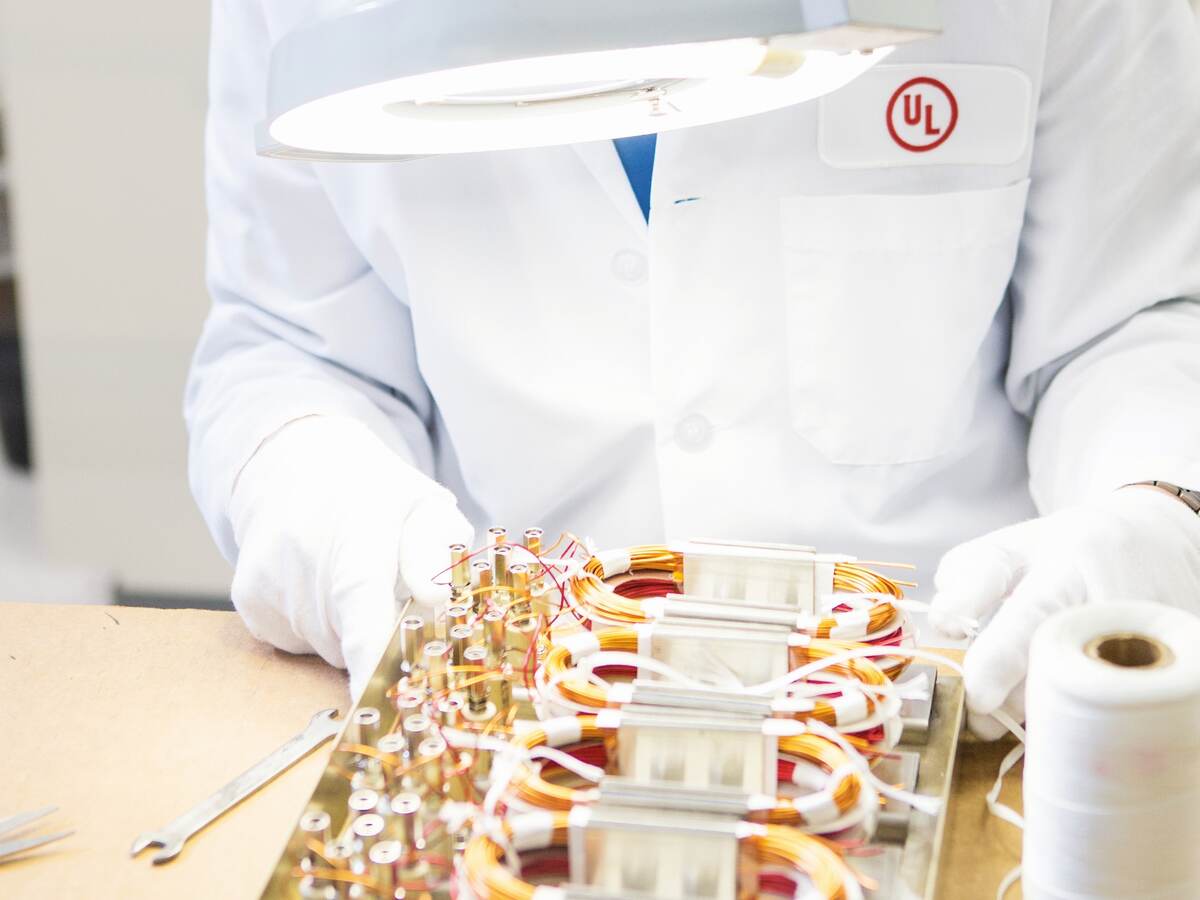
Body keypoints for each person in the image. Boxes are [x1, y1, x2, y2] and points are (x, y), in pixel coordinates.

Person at [187, 0, 1200, 731]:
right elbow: (290, 347)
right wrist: (356, 534)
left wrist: (1153, 509)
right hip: (524, 717)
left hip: (958, 689)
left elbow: (1133, 312)